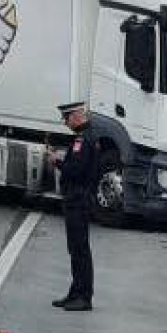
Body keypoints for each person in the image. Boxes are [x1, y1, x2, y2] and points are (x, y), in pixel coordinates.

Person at [50, 101, 98, 311]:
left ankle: (83, 296)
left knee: (79, 250)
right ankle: (75, 292)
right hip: (78, 199)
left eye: (68, 118)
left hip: (78, 200)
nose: (66, 122)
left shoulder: (83, 139)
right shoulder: (86, 137)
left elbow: (75, 171)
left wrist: (57, 162)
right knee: (76, 249)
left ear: (78, 116)